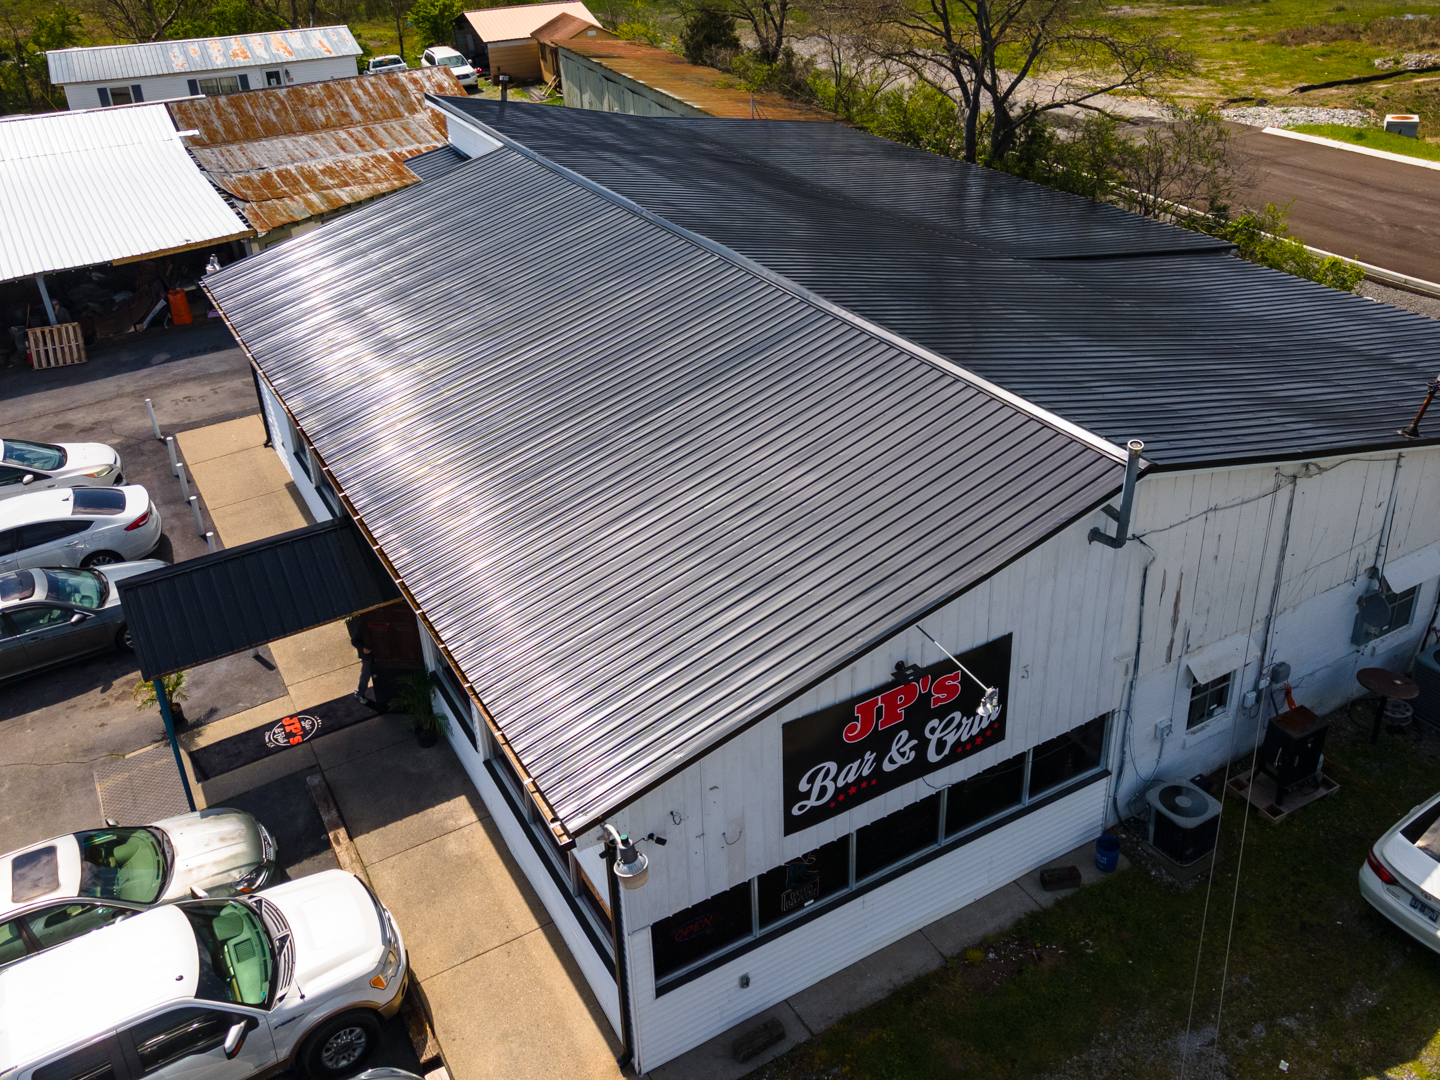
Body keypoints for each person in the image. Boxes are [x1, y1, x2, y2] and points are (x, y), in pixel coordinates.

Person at [347, 615, 374, 705]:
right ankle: (359, 693)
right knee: (366, 674)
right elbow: (354, 641)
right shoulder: (361, 625)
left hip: (376, 653)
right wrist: (363, 649)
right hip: (367, 655)